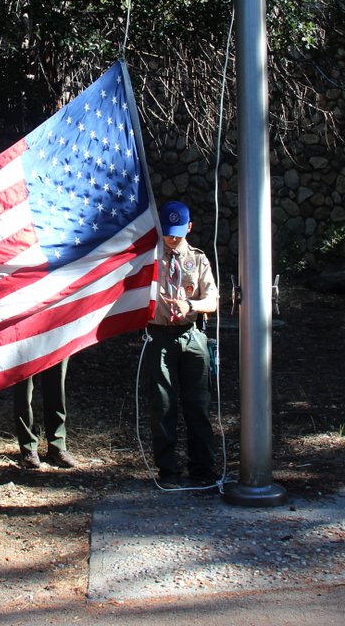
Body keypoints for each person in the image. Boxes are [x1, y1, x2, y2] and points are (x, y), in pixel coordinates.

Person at [145, 200, 219, 488]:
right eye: (167, 232)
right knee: (162, 404)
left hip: (192, 335)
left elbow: (212, 300)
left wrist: (191, 305)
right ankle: (168, 471)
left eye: (177, 233)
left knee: (198, 404)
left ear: (189, 227)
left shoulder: (198, 259)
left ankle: (202, 468)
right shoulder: (149, 257)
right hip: (159, 335)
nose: (172, 239)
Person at [13, 358, 77, 469]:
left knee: (56, 384)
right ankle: (28, 447)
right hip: (25, 347)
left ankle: (57, 446)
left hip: (54, 346)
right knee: (24, 388)